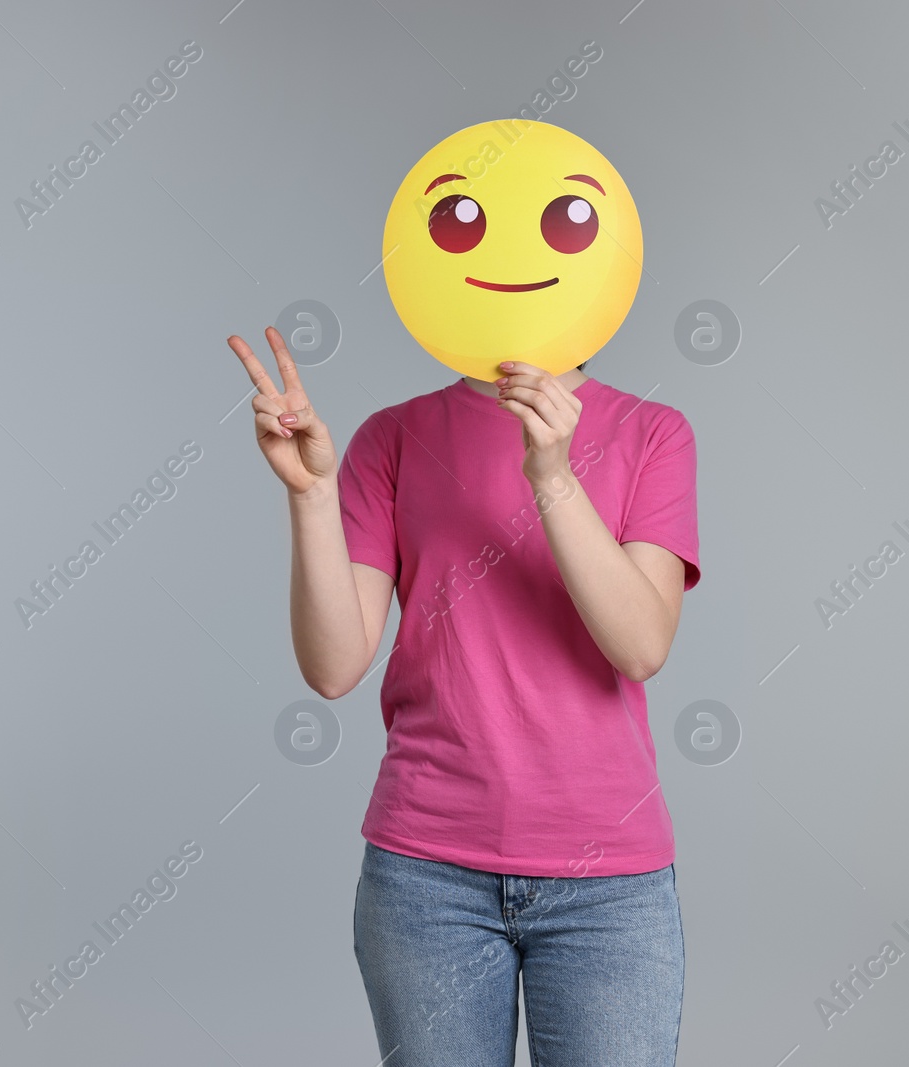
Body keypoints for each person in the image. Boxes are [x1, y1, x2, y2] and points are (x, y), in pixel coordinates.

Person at [228, 326, 701, 1066]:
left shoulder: (652, 431)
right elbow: (332, 667)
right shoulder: (393, 436)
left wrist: (552, 475)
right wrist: (313, 495)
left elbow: (640, 645)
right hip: (426, 878)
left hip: (608, 884)